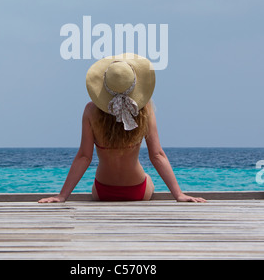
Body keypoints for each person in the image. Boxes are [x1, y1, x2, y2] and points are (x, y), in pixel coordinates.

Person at [39, 54, 206, 203]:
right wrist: (179, 194)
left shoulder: (90, 111)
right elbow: (157, 155)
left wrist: (61, 196)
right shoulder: (144, 109)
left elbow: (84, 157)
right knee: (148, 179)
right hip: (137, 189)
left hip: (103, 191)